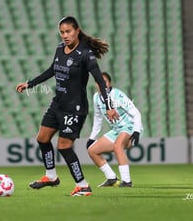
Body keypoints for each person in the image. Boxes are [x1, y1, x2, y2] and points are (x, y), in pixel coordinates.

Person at [16, 16, 118, 196]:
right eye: (62, 32)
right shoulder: (60, 48)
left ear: (77, 31)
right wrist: (30, 84)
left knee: (63, 147)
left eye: (68, 31)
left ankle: (83, 185)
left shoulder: (86, 55)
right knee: (42, 138)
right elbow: (52, 70)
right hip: (58, 103)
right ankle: (51, 176)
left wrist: (109, 106)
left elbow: (100, 82)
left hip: (75, 108)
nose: (64, 35)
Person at [87, 72, 143, 187]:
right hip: (117, 130)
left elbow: (136, 113)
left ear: (109, 84)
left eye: (105, 82)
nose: (102, 85)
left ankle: (127, 181)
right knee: (92, 151)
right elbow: (98, 118)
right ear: (96, 84)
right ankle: (111, 178)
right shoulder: (96, 97)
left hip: (130, 126)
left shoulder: (118, 95)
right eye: (99, 82)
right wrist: (92, 137)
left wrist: (137, 130)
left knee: (118, 146)